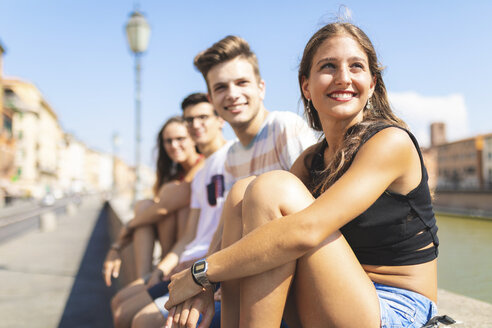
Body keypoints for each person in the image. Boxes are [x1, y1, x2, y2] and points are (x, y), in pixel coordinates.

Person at [165, 22, 439, 328]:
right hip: (337, 294)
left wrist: (202, 271)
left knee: (272, 188)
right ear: (306, 86)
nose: (343, 78)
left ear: (372, 83)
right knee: (243, 192)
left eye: (356, 67)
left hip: (395, 310)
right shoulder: (313, 158)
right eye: (328, 67)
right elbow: (254, 211)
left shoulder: (390, 142)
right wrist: (205, 283)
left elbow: (306, 229)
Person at [112, 93, 229, 328]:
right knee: (119, 304)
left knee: (137, 319)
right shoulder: (201, 174)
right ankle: (148, 275)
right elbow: (189, 235)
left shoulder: (234, 158)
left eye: (203, 117)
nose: (196, 125)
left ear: (220, 119)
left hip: (206, 267)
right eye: (190, 120)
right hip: (186, 262)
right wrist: (161, 269)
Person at [103, 116, 203, 287]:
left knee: (156, 202)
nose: (173, 145)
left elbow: (163, 208)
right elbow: (156, 208)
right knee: (143, 205)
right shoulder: (173, 174)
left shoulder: (202, 165)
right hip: (174, 240)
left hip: (193, 242)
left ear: (193, 138)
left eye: (180, 139)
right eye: (168, 141)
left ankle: (155, 275)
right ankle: (143, 280)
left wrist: (120, 240)